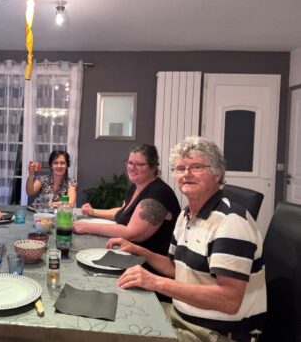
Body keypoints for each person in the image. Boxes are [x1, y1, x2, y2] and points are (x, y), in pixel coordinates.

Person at [107, 136, 266, 342]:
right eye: (180, 169)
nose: (186, 174)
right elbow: (177, 269)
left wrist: (155, 282)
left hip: (214, 334)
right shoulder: (186, 215)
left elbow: (229, 300)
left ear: (218, 174)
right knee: (117, 314)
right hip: (181, 317)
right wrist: (140, 251)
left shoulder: (231, 223)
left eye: (196, 167)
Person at [74, 144, 181, 259]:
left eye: (139, 164)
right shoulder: (137, 186)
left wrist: (86, 226)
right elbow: (123, 211)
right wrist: (93, 212)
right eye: (130, 163)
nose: (132, 167)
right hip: (129, 255)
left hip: (147, 266)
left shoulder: (158, 193)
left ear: (153, 167)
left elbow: (132, 233)